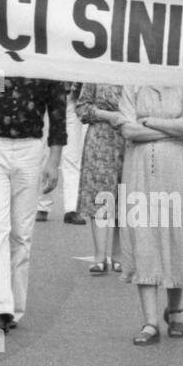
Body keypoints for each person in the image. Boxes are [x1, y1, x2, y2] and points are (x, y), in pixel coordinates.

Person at [117, 85, 183, 345]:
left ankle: (173, 311)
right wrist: (170, 129)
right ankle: (150, 322)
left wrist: (150, 123)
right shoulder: (133, 82)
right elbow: (128, 130)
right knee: (144, 237)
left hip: (178, 171)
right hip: (139, 170)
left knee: (177, 236)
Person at [0, 74, 66, 333]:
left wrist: (54, 161)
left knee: (22, 235)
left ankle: (14, 308)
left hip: (30, 149)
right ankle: (0, 309)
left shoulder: (44, 57)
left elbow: (58, 112)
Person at [73, 82, 126, 274]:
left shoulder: (137, 71)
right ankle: (100, 256)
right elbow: (82, 108)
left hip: (131, 138)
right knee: (100, 195)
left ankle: (119, 255)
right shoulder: (97, 73)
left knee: (125, 195)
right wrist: (108, 115)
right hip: (101, 138)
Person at [37, 84, 86, 224]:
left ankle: (72, 209)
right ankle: (42, 205)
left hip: (71, 99)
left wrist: (80, 85)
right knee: (44, 154)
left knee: (72, 157)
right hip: (48, 99)